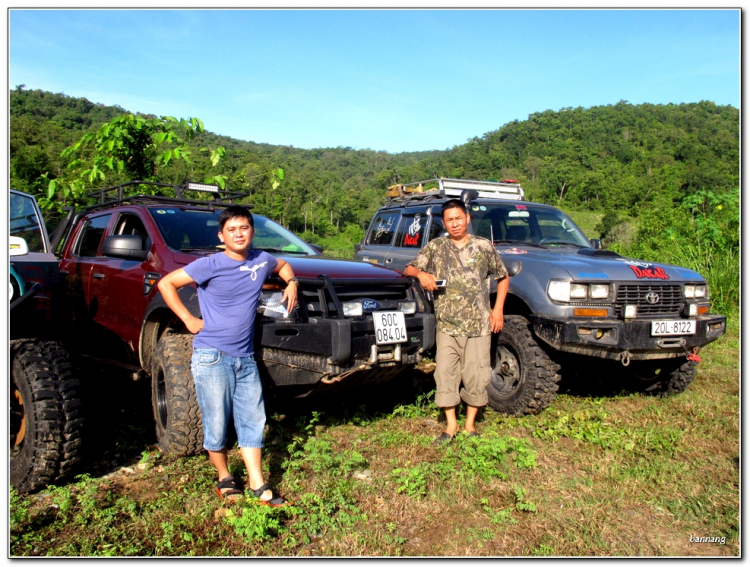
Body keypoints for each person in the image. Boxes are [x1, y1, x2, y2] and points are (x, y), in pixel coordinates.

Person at [158, 204, 298, 504]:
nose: (238, 234)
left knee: (252, 419)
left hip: (245, 358)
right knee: (217, 422)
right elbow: (166, 283)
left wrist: (292, 282)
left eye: (244, 228)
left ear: (252, 232)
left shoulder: (262, 259)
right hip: (212, 356)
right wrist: (188, 319)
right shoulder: (209, 264)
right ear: (222, 236)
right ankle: (224, 477)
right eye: (231, 230)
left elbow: (283, 265)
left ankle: (258, 484)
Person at [404, 199, 509, 444]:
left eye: (459, 218)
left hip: (479, 326)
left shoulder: (483, 246)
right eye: (450, 220)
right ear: (444, 223)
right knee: (445, 374)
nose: (455, 224)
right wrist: (422, 274)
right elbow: (409, 268)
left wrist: (498, 310)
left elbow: (503, 277)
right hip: (447, 326)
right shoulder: (436, 247)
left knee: (476, 375)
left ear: (467, 218)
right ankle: (450, 426)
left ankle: (470, 425)